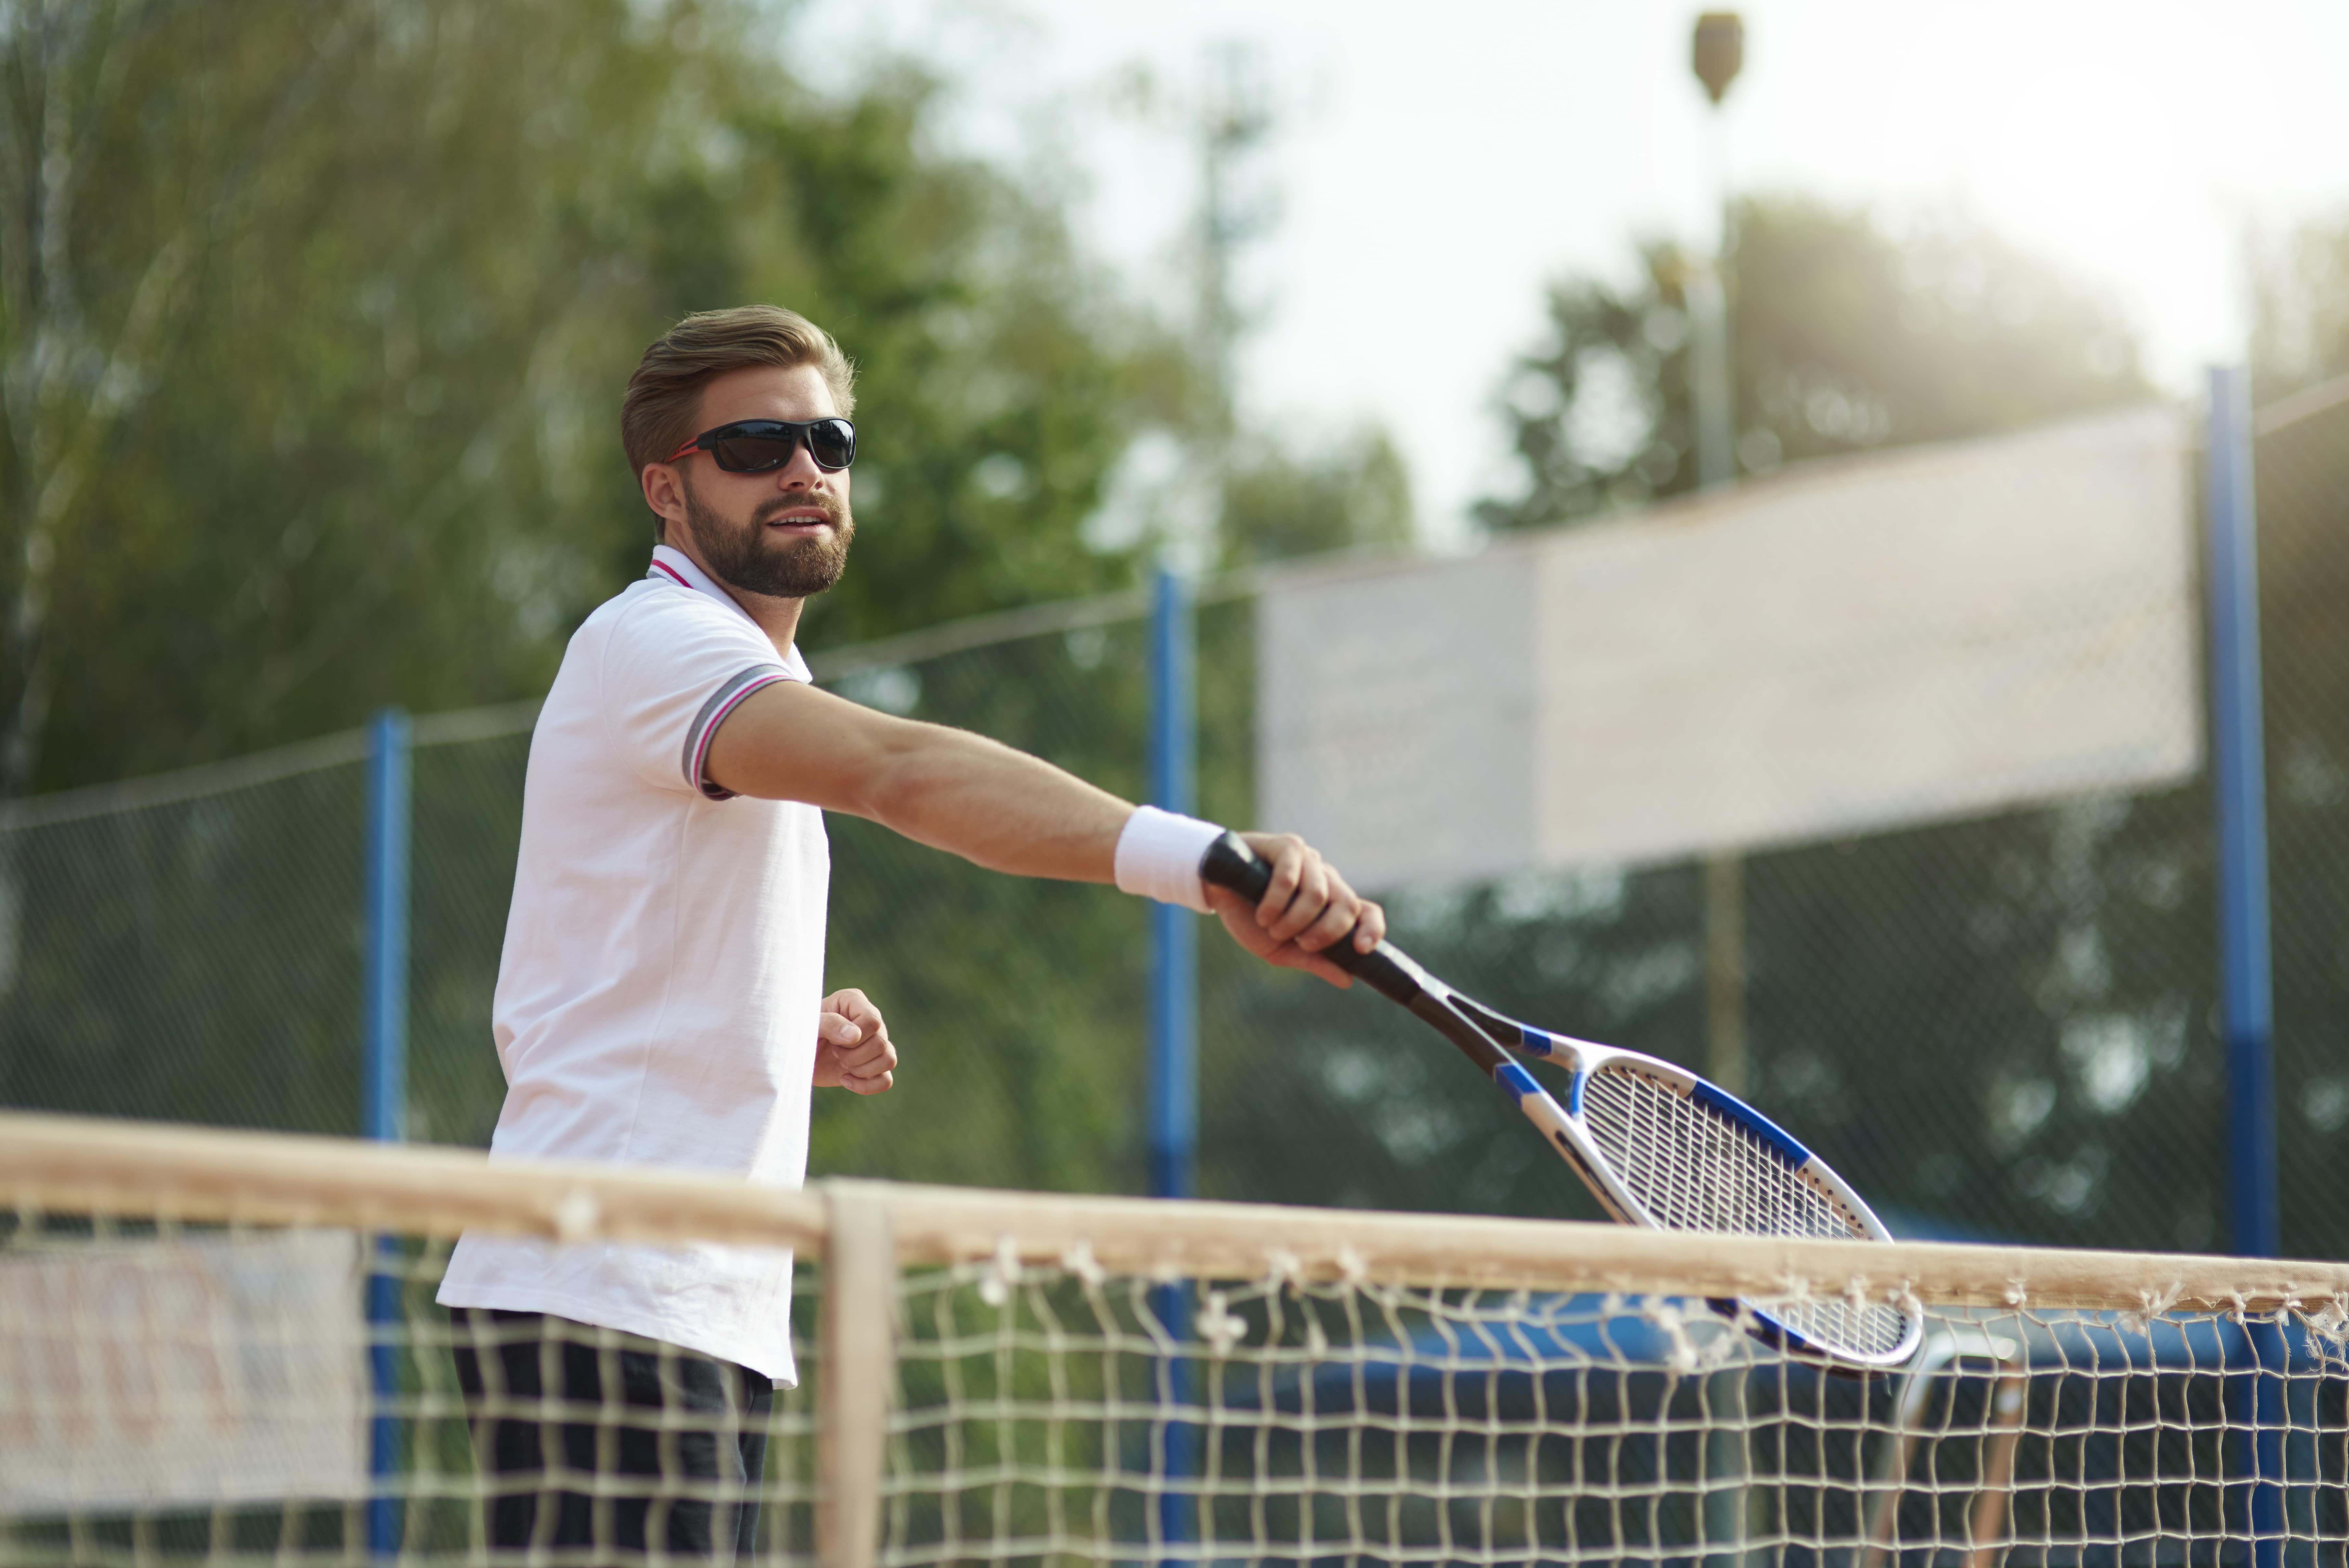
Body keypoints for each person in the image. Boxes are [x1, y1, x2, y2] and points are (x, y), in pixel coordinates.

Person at [434, 304, 1384, 1562]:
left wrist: (775, 1023)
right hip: (609, 1284)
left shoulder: (723, 670)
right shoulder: (655, 643)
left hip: (682, 1299)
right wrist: (1207, 863)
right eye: (758, 442)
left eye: (827, 441)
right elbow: (898, 772)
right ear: (667, 487)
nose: (803, 470)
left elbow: (616, 956)